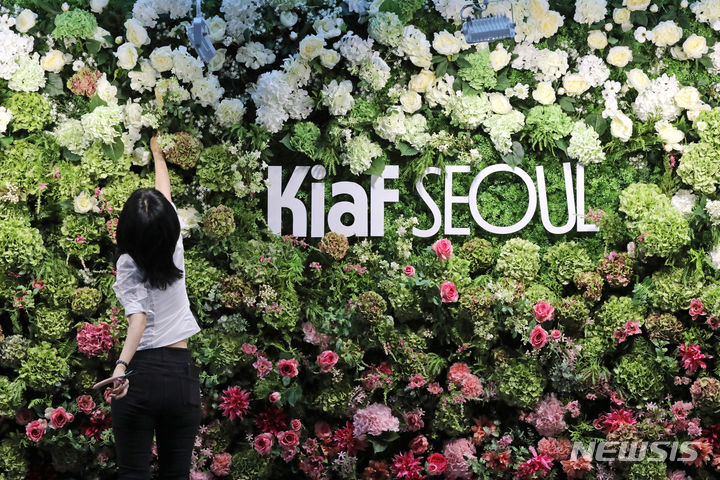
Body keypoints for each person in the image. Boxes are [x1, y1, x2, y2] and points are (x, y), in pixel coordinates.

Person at [107, 134, 202, 479]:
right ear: (169, 227)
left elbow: (138, 320)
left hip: (140, 375)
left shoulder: (127, 265)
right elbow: (165, 197)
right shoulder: (173, 245)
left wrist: (121, 366)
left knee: (133, 473)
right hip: (180, 375)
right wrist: (158, 156)